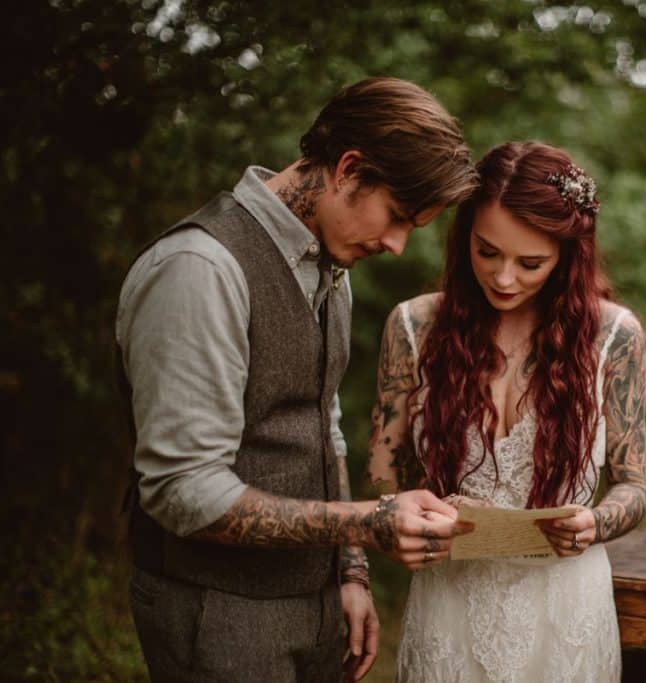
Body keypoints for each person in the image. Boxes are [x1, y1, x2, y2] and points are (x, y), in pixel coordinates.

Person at [115, 77, 477, 682]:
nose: (395, 245)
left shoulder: (330, 264)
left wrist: (350, 571)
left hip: (316, 609)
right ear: (348, 168)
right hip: (216, 611)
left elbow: (323, 429)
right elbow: (183, 491)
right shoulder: (200, 269)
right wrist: (367, 521)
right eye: (396, 216)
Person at [367, 141, 646, 682]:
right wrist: (408, 516)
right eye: (487, 251)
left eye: (531, 263)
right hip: (450, 600)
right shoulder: (413, 327)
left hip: (565, 606)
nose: (503, 278)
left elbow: (633, 485)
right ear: (464, 237)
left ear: (568, 256)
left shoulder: (613, 337)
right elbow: (381, 474)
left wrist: (594, 522)